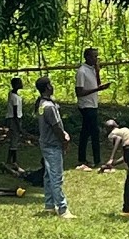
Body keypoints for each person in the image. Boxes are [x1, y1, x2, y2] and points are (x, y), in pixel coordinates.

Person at [36, 76, 74, 218]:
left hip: (45, 143)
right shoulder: (49, 107)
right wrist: (64, 140)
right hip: (52, 144)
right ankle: (62, 208)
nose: (52, 86)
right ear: (47, 87)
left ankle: (49, 204)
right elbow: (56, 126)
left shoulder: (41, 104)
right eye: (50, 84)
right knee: (56, 176)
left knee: (48, 175)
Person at [74, 47, 110, 171]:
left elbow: (97, 84)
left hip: (93, 104)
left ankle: (82, 158)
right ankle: (97, 159)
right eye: (94, 56)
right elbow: (79, 92)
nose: (96, 59)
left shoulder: (93, 70)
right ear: (87, 57)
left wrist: (98, 72)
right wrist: (97, 90)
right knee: (94, 132)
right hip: (86, 105)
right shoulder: (82, 71)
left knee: (85, 132)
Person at [6, 76, 24, 166]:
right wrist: (18, 125)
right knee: (14, 139)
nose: (22, 84)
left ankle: (10, 159)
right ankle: (13, 160)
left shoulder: (11, 94)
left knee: (14, 139)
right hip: (14, 119)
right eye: (20, 82)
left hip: (13, 118)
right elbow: (15, 111)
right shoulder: (15, 97)